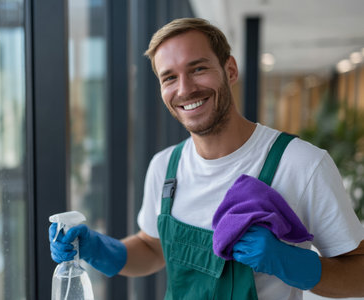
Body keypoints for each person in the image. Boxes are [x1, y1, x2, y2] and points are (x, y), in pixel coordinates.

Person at [49, 18, 364, 299]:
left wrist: (289, 262)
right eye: (169, 77)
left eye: (198, 68)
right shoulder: (165, 167)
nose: (185, 89)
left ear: (230, 70)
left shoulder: (301, 164)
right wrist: (98, 248)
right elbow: (153, 248)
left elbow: (359, 275)